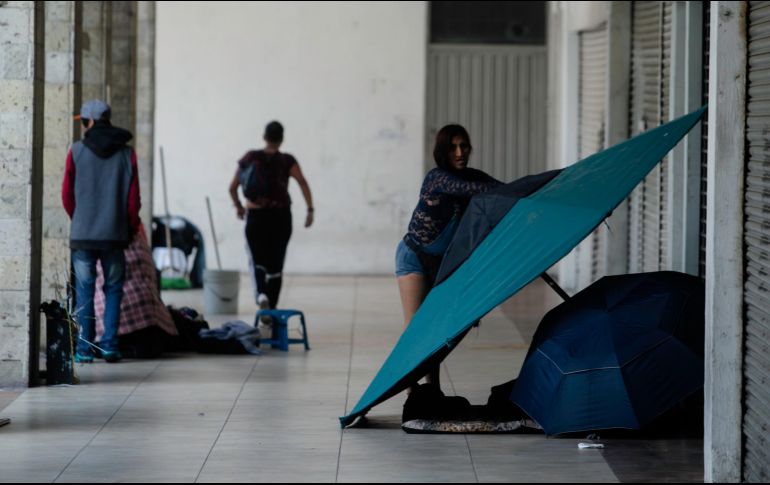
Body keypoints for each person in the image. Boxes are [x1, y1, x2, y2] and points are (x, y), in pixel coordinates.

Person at [397, 124, 502, 389]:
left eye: (464, 146)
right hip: (414, 256)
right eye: (453, 147)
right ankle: (411, 389)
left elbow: (504, 189)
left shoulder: (472, 177)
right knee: (415, 327)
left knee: (435, 329)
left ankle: (433, 388)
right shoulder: (437, 178)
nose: (459, 152)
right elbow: (472, 190)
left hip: (442, 263)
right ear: (442, 151)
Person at [62, 99, 141, 363]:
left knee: (84, 290)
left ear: (92, 122)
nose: (84, 126)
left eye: (84, 121)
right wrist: (126, 226)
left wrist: (81, 218)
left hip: (83, 235)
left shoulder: (75, 151)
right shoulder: (128, 154)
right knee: (114, 288)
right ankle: (109, 345)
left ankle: (84, 349)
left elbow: (66, 195)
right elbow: (133, 200)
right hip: (114, 235)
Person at [229, 121, 314, 325]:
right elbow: (302, 181)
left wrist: (239, 207)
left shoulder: (249, 158)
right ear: (281, 138)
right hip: (281, 216)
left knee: (257, 260)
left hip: (256, 216)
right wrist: (310, 209)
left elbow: (232, 187)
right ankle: (273, 310)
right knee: (276, 263)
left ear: (264, 136)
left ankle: (261, 296)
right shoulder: (287, 160)